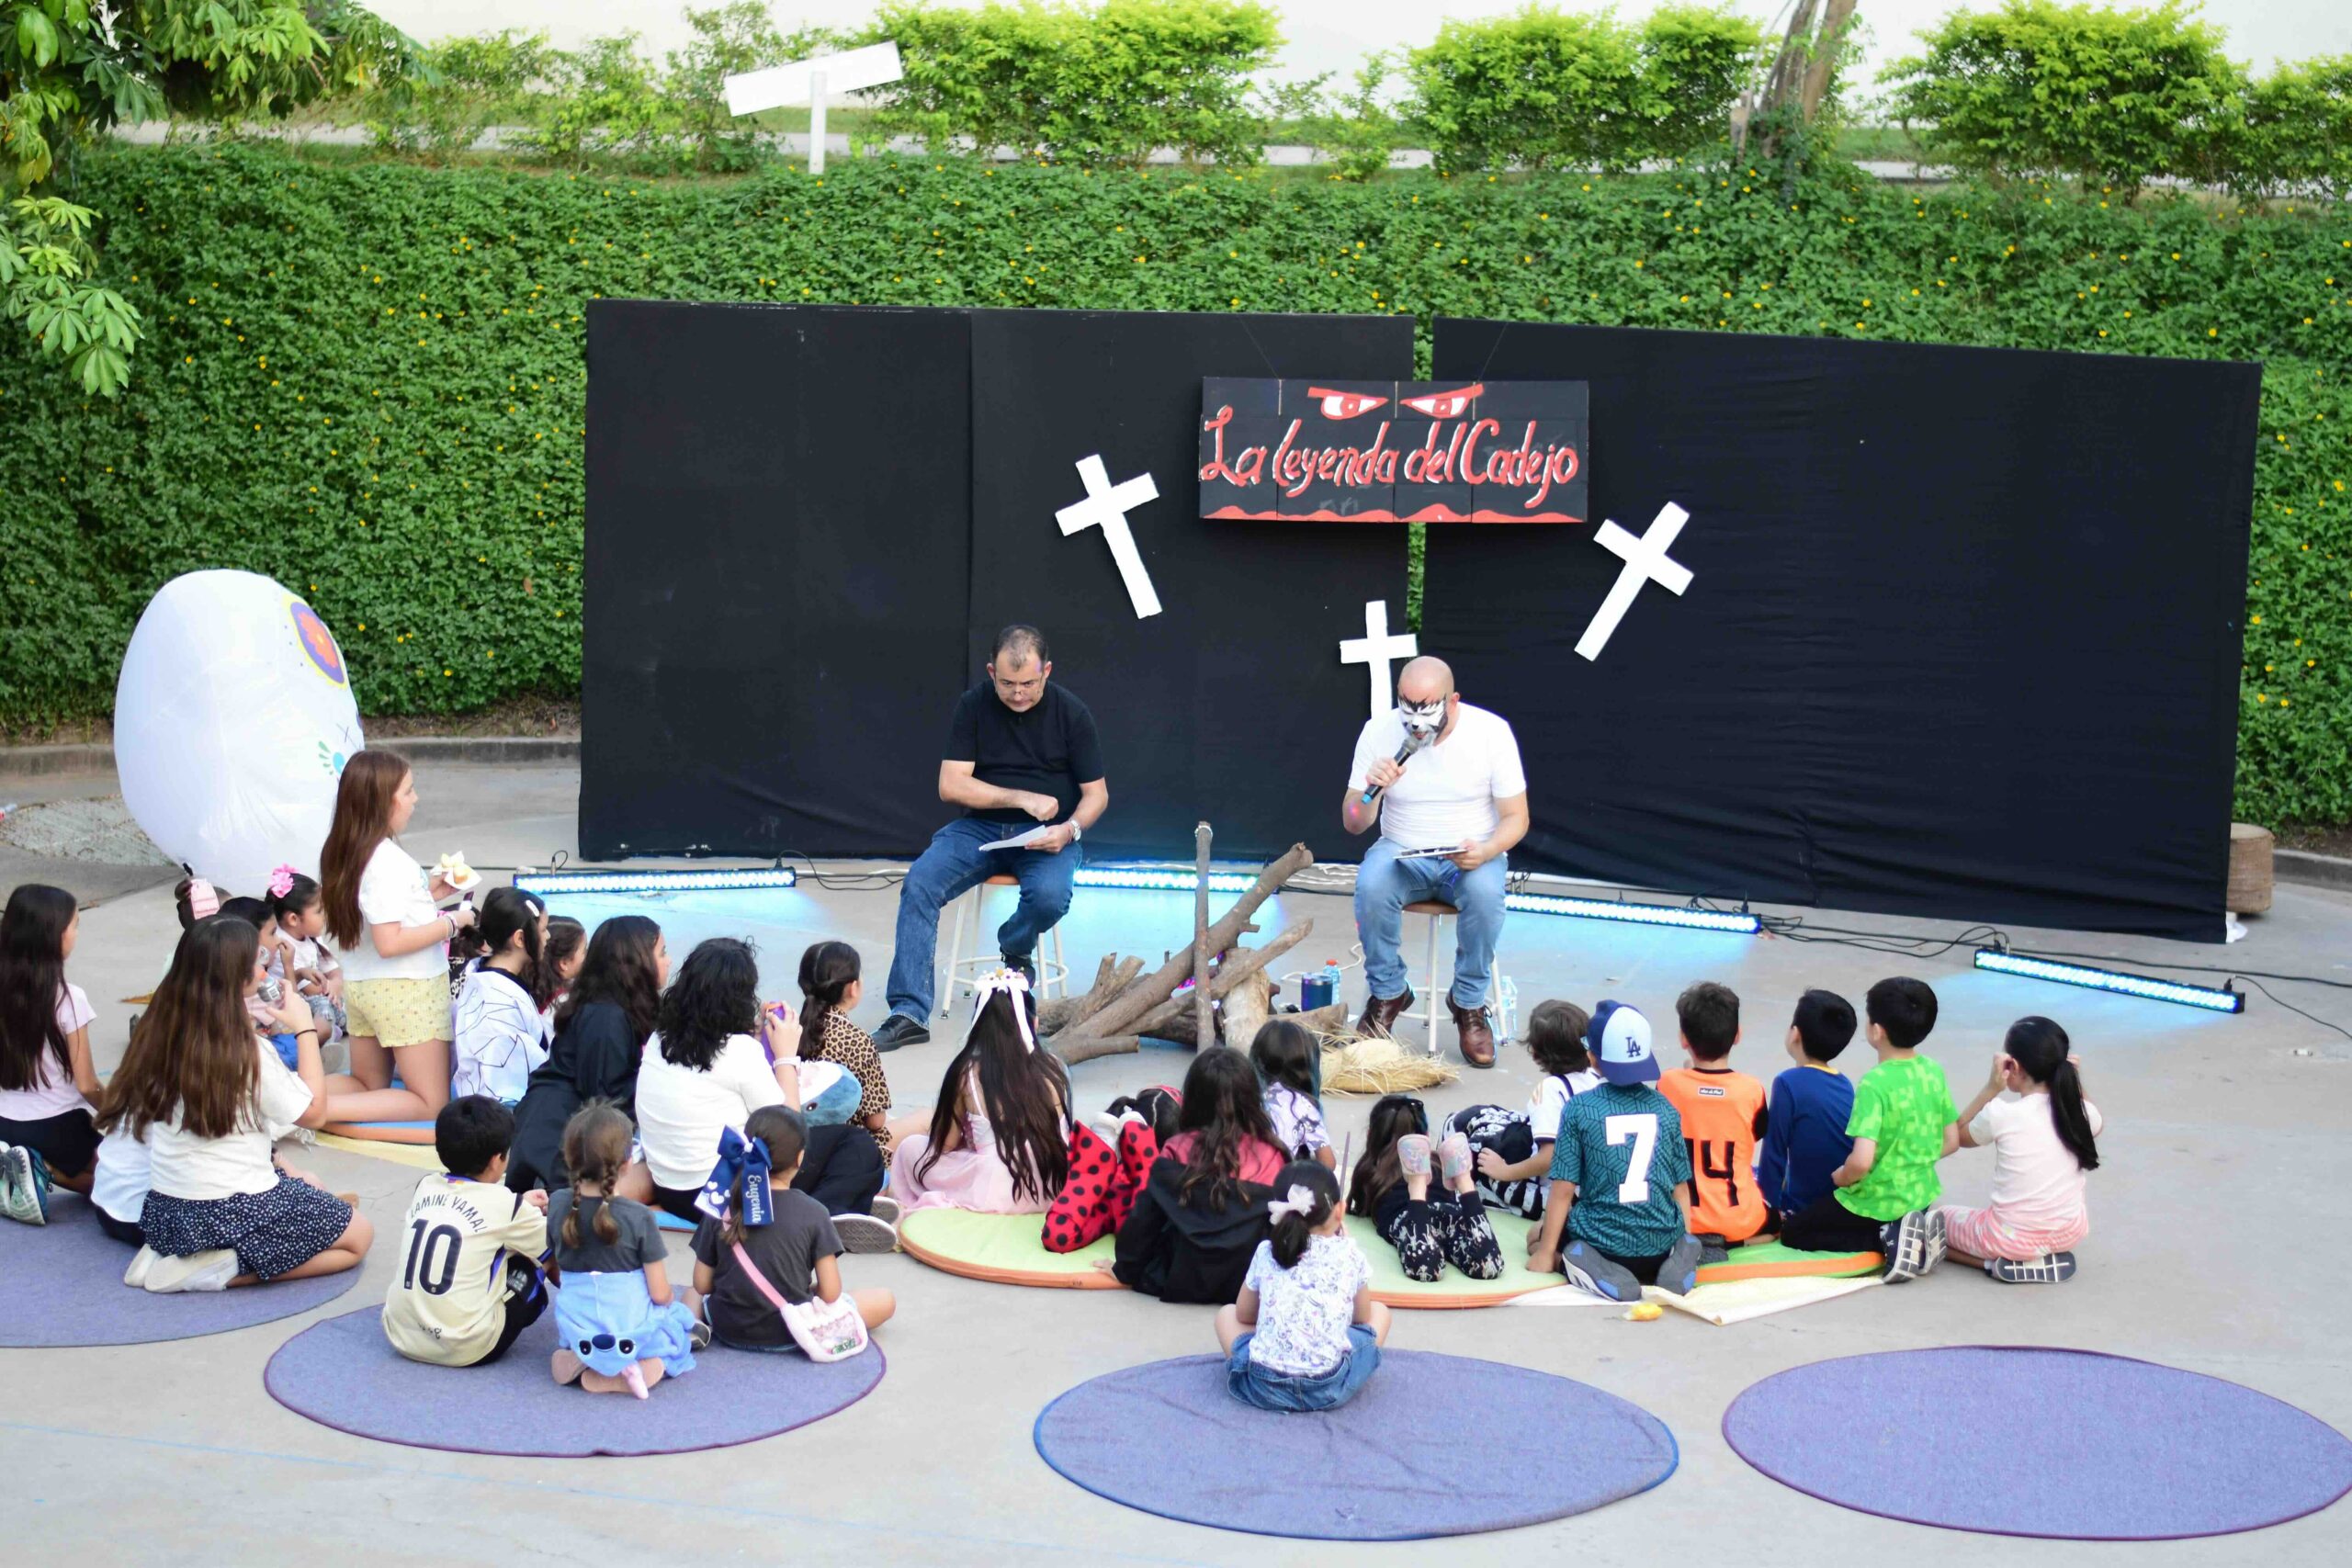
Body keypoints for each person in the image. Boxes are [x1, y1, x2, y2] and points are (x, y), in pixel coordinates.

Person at [100, 918, 374, 1291]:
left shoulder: (157, 1034)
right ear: (234, 978)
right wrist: (305, 1028)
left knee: (304, 1187)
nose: (264, 972)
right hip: (231, 1208)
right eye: (257, 964)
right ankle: (221, 1270)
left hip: (167, 1214)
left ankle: (184, 1259)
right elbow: (314, 1114)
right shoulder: (247, 1052)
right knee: (359, 1237)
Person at [875, 626, 1108, 1049]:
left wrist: (1069, 830)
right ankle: (908, 1012)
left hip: (1047, 834)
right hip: (980, 829)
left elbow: (1097, 795)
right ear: (990, 673)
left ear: (1047, 672)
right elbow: (951, 785)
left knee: (1050, 896)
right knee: (920, 883)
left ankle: (1014, 947)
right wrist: (1020, 797)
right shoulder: (973, 705)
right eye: (1007, 684)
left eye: (1028, 684)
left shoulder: (1072, 713)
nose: (1018, 694)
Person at [635, 938, 890, 1247]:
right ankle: (822, 1214)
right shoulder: (738, 1051)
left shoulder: (659, 1039)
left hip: (672, 1193)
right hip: (727, 1197)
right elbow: (791, 1130)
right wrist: (785, 1055)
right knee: (857, 1144)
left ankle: (844, 1203)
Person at [1340, 656, 1529, 1068]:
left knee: (1485, 894)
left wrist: (1486, 850)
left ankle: (1469, 1002)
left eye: (1427, 710)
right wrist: (1372, 788)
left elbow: (1517, 818)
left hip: (1470, 853)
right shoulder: (1378, 731)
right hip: (1402, 850)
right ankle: (1389, 992)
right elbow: (1353, 822)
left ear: (1453, 701)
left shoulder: (1491, 732)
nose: (1415, 724)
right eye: (1407, 708)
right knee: (1371, 884)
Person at [319, 750, 475, 1123]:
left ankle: (277, 1097)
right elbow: (390, 942)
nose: (415, 799)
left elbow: (376, 912)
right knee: (430, 1102)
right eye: (408, 791)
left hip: (364, 986)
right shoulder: (387, 860)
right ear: (383, 801)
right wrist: (455, 923)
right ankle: (304, 1111)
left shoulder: (344, 850)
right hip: (407, 991)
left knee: (366, 1084)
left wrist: (428, 894)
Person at [1780, 977, 1956, 1282]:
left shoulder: (1874, 1084)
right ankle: (1913, 1229)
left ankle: (1887, 1237)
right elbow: (1951, 1140)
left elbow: (1861, 1162)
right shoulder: (1933, 1071)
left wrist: (1842, 1177)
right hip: (1920, 1195)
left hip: (1876, 1202)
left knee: (1794, 1232)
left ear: (1876, 1031)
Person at [1526, 1001, 1702, 1301]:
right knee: (1668, 1234)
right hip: (1660, 1247)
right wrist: (1683, 1237)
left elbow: (1563, 1190)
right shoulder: (1665, 1108)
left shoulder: (1579, 1109)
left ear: (1592, 1057)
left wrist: (1544, 1253)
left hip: (1602, 1242)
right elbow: (1681, 1190)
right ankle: (1681, 1254)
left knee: (1535, 1236)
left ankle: (1577, 1263)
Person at [691, 1105, 896, 1353]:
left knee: (691, 1294)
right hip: (793, 1330)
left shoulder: (720, 1206)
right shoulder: (814, 1212)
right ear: (800, 1158)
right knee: (885, 1300)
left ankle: (691, 1326)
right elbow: (830, 1293)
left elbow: (702, 1284)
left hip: (727, 1328)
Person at [547, 1102, 703, 1397]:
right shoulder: (639, 1216)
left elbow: (555, 1270)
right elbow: (660, 1294)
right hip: (630, 1328)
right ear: (628, 1163)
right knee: (676, 1333)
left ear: (569, 1157)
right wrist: (669, 1303)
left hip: (578, 1323)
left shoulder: (557, 1204)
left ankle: (582, 1357)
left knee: (584, 1330)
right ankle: (637, 1366)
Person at [381, 1097, 552, 1367]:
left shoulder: (425, 1186)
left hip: (401, 1334)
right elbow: (557, 1246)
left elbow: (471, 1208)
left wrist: (519, 1205)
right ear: (497, 1160)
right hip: (466, 1347)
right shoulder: (507, 1206)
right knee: (533, 1260)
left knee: (491, 1245)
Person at [504, 915, 664, 1200]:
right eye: (662, 953)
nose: (669, 961)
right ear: (637, 961)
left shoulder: (614, 1004)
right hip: (556, 1155)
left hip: (562, 1137)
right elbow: (605, 1098)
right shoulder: (606, 1017)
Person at [1114, 1047, 1291, 1303]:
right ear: (1252, 1099)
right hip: (1249, 1285)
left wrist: (1125, 1269)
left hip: (1177, 1277)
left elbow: (1143, 1223)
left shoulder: (1175, 1148)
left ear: (1193, 1099)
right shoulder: (1274, 1155)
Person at [1216, 1161, 1390, 1413]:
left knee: (1225, 1315)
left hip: (1263, 1387)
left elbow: (1243, 1314)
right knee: (1381, 1312)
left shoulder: (1266, 1251)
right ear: (1339, 1211)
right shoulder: (1350, 1254)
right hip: (1329, 1389)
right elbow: (1362, 1316)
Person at [1938, 1017, 2102, 1284]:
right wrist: (2073, 1080)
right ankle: (2036, 1259)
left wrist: (1991, 1088)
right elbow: (2092, 1114)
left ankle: (1993, 1264)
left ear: (2013, 1066)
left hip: (2009, 1237)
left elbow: (1955, 1136)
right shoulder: (2079, 1114)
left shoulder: (2002, 1114)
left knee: (1936, 1220)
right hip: (2069, 1232)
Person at [889, 973, 1072, 1213]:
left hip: (994, 1190)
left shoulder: (967, 1073)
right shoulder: (1056, 1067)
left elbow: (946, 1144)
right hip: (1051, 1186)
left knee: (910, 1148)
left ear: (977, 1026)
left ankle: (897, 1205)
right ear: (1035, 1023)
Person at [1447, 998, 1600, 1220]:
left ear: (1536, 1052)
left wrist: (1505, 1172)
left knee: (1462, 1135)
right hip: (1595, 1188)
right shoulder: (1597, 1077)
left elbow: (1550, 1157)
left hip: (1560, 1197)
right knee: (1490, 1118)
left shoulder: (1552, 1090)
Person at [0, 884, 101, 1213]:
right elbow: (87, 1085)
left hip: (4, 1121)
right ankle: (44, 1168)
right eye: (75, 926)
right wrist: (120, 1115)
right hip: (58, 1125)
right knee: (121, 1185)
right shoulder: (69, 998)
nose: (76, 934)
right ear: (55, 936)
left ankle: (27, 1165)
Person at [1657, 981, 1770, 1247]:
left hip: (1680, 1216)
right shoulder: (1751, 1089)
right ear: (1737, 1035)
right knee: (1776, 1219)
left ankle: (1703, 1243)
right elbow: (1757, 1133)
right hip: (1738, 1220)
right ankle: (1733, 1244)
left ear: (1683, 1039)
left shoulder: (1669, 1083)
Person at [1348, 1097, 1503, 1283]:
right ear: (1426, 1136)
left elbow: (1362, 1208)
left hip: (1408, 1219)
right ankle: (1464, 1181)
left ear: (1370, 1135)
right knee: (1489, 1265)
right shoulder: (1437, 1162)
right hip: (1448, 1213)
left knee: (1425, 1269)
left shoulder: (1371, 1171)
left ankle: (1416, 1184)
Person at [1756, 989, 1859, 1228]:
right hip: (1840, 1200)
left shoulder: (1787, 1082)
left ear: (1795, 1034)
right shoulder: (1844, 1084)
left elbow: (1774, 1153)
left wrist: (1767, 1212)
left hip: (1803, 1206)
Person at [451, 887, 553, 1105]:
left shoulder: (484, 976)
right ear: (520, 938)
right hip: (499, 1112)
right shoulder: (498, 1002)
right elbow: (504, 1087)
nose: (548, 937)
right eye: (544, 930)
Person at [797, 940, 898, 1156]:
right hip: (849, 1148)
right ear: (853, 988)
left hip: (799, 1142)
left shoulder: (790, 1029)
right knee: (926, 1120)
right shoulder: (858, 1040)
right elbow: (875, 1121)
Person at [219, 896, 301, 1069]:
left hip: (256, 1047)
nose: (278, 940)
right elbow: (293, 1010)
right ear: (250, 940)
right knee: (302, 1040)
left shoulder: (231, 972)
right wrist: (288, 966)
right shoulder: (252, 982)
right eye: (272, 933)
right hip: (261, 1052)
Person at [266, 868, 345, 1045]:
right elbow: (312, 990)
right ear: (294, 919)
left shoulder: (311, 937)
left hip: (321, 999)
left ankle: (333, 1031)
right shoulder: (283, 946)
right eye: (319, 911)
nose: (325, 915)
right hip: (297, 1007)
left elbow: (335, 971)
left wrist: (335, 984)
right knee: (324, 1007)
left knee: (348, 1006)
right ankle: (325, 1041)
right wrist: (331, 987)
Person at [1250, 1019, 1333, 1168]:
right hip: (1281, 1180)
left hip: (1243, 1176)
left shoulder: (1246, 1095)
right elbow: (1328, 1163)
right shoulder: (1303, 1105)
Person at [541, 917, 587, 1023]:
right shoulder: (565, 1004)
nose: (588, 955)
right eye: (584, 950)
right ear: (564, 963)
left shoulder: (537, 989)